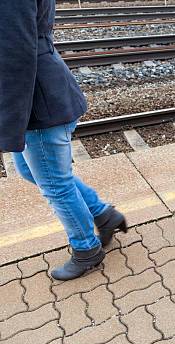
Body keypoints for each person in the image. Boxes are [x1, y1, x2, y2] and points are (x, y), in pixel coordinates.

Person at [0, 0, 126, 280]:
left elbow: (16, 54)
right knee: (34, 172)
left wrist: (9, 122)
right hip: (41, 92)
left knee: (55, 185)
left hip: (37, 100)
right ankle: (103, 215)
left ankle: (86, 250)